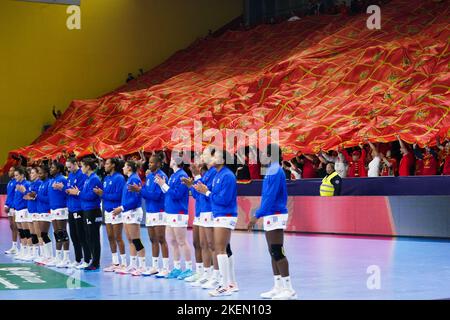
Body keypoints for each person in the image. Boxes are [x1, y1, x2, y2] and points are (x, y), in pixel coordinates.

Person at [248, 143, 297, 300]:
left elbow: (270, 196)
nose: (261, 157)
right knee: (272, 251)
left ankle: (289, 289)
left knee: (277, 250)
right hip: (271, 213)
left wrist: (257, 214)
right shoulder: (271, 170)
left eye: (264, 154)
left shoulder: (275, 170)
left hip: (275, 213)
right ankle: (278, 286)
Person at [193, 148, 239, 297]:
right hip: (220, 214)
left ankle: (225, 285)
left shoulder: (227, 176)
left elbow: (223, 199)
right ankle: (231, 283)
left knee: (220, 249)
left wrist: (206, 192)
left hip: (225, 214)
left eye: (215, 155)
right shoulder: (219, 174)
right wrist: (203, 190)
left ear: (223, 160)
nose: (212, 158)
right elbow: (210, 194)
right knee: (224, 249)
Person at [130, 154, 170, 277]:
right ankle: (155, 266)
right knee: (153, 240)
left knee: (161, 239)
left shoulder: (161, 176)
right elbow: (148, 193)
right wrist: (143, 191)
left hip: (159, 211)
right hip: (150, 211)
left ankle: (166, 267)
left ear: (158, 164)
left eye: (152, 163)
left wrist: (140, 191)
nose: (149, 164)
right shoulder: (149, 177)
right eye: (149, 162)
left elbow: (157, 196)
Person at [155, 153, 193, 280]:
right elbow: (168, 193)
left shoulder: (182, 175)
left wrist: (163, 185)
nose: (169, 160)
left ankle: (188, 268)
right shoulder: (173, 175)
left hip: (179, 212)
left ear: (176, 161)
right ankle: (177, 268)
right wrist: (162, 184)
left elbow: (177, 195)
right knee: (172, 241)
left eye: (171, 159)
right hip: (170, 212)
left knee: (181, 241)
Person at [113, 161, 146, 276]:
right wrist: (121, 208)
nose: (122, 168)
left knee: (136, 239)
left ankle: (142, 266)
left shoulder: (134, 180)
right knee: (130, 240)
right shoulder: (129, 179)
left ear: (130, 168)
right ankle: (133, 264)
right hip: (127, 212)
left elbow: (135, 200)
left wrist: (122, 208)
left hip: (133, 212)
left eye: (125, 166)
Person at [95, 158, 127, 272]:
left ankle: (123, 263)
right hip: (107, 210)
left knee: (118, 237)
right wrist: (100, 193)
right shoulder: (106, 178)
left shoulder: (119, 178)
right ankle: (115, 262)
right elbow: (105, 195)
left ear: (113, 165)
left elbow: (118, 196)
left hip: (115, 210)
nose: (105, 165)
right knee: (110, 237)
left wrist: (103, 194)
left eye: (107, 163)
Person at [65, 158, 91, 269]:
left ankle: (87, 259)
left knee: (82, 235)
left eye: (70, 166)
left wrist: (73, 191)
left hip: (79, 209)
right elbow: (69, 189)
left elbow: (80, 191)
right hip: (71, 209)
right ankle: (77, 259)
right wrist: (67, 190)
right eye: (67, 167)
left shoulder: (82, 175)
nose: (68, 169)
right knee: (73, 235)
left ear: (76, 164)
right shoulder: (70, 175)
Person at [78, 157, 103, 272]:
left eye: (82, 165)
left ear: (88, 167)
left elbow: (90, 196)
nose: (81, 168)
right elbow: (85, 195)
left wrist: (78, 193)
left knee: (93, 237)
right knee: (88, 236)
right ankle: (93, 260)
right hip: (87, 210)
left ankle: (96, 262)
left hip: (93, 210)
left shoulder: (94, 179)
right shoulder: (88, 179)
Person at [48, 161, 71, 268]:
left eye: (53, 167)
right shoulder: (52, 180)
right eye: (51, 167)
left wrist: (61, 188)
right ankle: (58, 257)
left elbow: (68, 192)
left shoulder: (62, 179)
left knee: (63, 232)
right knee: (56, 233)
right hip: (53, 209)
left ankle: (66, 258)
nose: (50, 169)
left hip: (61, 208)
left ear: (58, 169)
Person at [34, 165, 54, 265]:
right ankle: (46, 256)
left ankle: (49, 256)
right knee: (42, 234)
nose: (39, 175)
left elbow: (48, 199)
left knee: (44, 234)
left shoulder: (49, 183)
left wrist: (37, 196)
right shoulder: (42, 183)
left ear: (46, 173)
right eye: (39, 173)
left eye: (41, 173)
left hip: (46, 211)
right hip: (41, 211)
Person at [23, 167, 43, 261]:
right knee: (32, 233)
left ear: (38, 174)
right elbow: (29, 195)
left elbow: (35, 195)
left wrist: (29, 195)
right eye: (30, 173)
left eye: (33, 173)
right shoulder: (31, 184)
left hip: (36, 210)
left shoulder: (39, 183)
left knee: (39, 233)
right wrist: (28, 195)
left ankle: (42, 253)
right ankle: (35, 253)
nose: (31, 174)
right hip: (30, 210)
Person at [12, 167, 31, 260]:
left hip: (24, 209)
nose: (15, 177)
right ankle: (23, 251)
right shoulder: (17, 184)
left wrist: (24, 191)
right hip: (17, 210)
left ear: (22, 175)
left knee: (26, 231)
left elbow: (30, 195)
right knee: (21, 232)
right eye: (14, 175)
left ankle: (29, 252)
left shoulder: (27, 184)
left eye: (17, 175)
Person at [4, 166, 18, 255]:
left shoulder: (17, 182)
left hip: (14, 207)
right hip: (9, 206)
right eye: (9, 170)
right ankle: (14, 247)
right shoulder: (9, 182)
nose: (9, 172)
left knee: (17, 227)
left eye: (11, 170)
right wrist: (6, 204)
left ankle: (24, 248)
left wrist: (11, 206)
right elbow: (9, 195)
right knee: (12, 226)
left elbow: (16, 196)